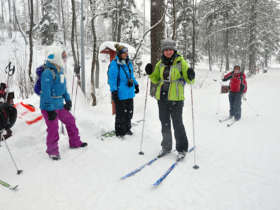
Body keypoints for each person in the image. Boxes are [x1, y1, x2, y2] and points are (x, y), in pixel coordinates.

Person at [145, 39, 195, 160]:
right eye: (166, 50)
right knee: (165, 123)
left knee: (177, 124)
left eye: (170, 49)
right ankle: (166, 146)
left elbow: (190, 81)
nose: (168, 52)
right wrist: (150, 73)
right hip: (162, 98)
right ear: (163, 51)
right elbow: (155, 79)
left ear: (174, 50)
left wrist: (190, 75)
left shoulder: (181, 62)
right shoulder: (160, 64)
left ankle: (181, 148)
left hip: (176, 99)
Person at [40, 47, 87, 160]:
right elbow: (46, 93)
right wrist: (50, 109)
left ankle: (75, 142)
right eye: (63, 56)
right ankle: (52, 151)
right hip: (48, 106)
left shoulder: (59, 70)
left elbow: (63, 88)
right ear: (56, 57)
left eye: (65, 56)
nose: (65, 59)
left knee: (70, 120)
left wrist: (68, 99)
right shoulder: (47, 72)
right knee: (53, 127)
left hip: (59, 104)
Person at [107, 44, 139, 137]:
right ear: (119, 53)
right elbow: (112, 79)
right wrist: (114, 91)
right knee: (121, 114)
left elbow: (131, 76)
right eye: (123, 53)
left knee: (129, 112)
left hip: (129, 93)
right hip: (120, 94)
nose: (125, 54)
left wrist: (136, 84)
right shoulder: (114, 64)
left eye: (126, 52)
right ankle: (120, 131)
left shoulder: (128, 63)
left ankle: (127, 128)